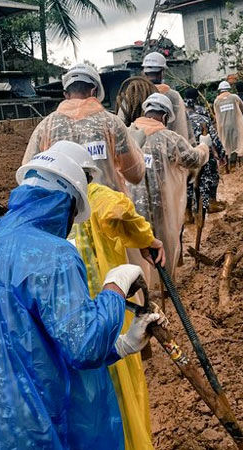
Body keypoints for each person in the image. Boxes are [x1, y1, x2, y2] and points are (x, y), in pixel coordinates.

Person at [0, 145, 163, 449]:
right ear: (65, 205)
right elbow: (85, 346)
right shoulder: (52, 255)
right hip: (34, 433)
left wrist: (122, 346)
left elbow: (27, 350)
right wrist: (114, 287)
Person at [64, 141, 165, 450]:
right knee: (121, 380)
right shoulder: (99, 197)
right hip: (109, 304)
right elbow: (124, 214)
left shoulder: (53, 211)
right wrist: (148, 239)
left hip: (71, 315)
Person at [24, 63, 144, 192]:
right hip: (107, 208)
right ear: (94, 91)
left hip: (66, 208)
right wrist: (136, 144)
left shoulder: (45, 127)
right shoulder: (112, 123)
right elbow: (134, 175)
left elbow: (29, 174)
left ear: (66, 94)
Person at [127, 93, 209, 283]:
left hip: (130, 206)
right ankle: (164, 286)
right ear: (164, 116)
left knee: (136, 248)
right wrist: (204, 147)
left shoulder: (126, 134)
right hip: (160, 204)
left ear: (146, 111)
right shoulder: (169, 138)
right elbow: (193, 160)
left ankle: (141, 288)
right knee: (162, 244)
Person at [183, 88, 226, 219]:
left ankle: (187, 212)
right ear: (197, 98)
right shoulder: (202, 113)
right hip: (203, 153)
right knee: (210, 177)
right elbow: (213, 138)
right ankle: (209, 203)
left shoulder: (177, 116)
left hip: (185, 155)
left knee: (187, 183)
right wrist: (222, 153)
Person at [141, 51, 195, 145]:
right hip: (170, 150)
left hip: (142, 153)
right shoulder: (174, 96)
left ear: (144, 73)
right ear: (162, 72)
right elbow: (183, 125)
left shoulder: (134, 94)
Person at [213, 81, 243, 165]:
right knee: (238, 142)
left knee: (226, 144)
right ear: (228, 89)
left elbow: (216, 113)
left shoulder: (216, 101)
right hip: (235, 125)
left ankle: (227, 162)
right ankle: (238, 161)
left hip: (223, 127)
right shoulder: (234, 97)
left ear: (220, 90)